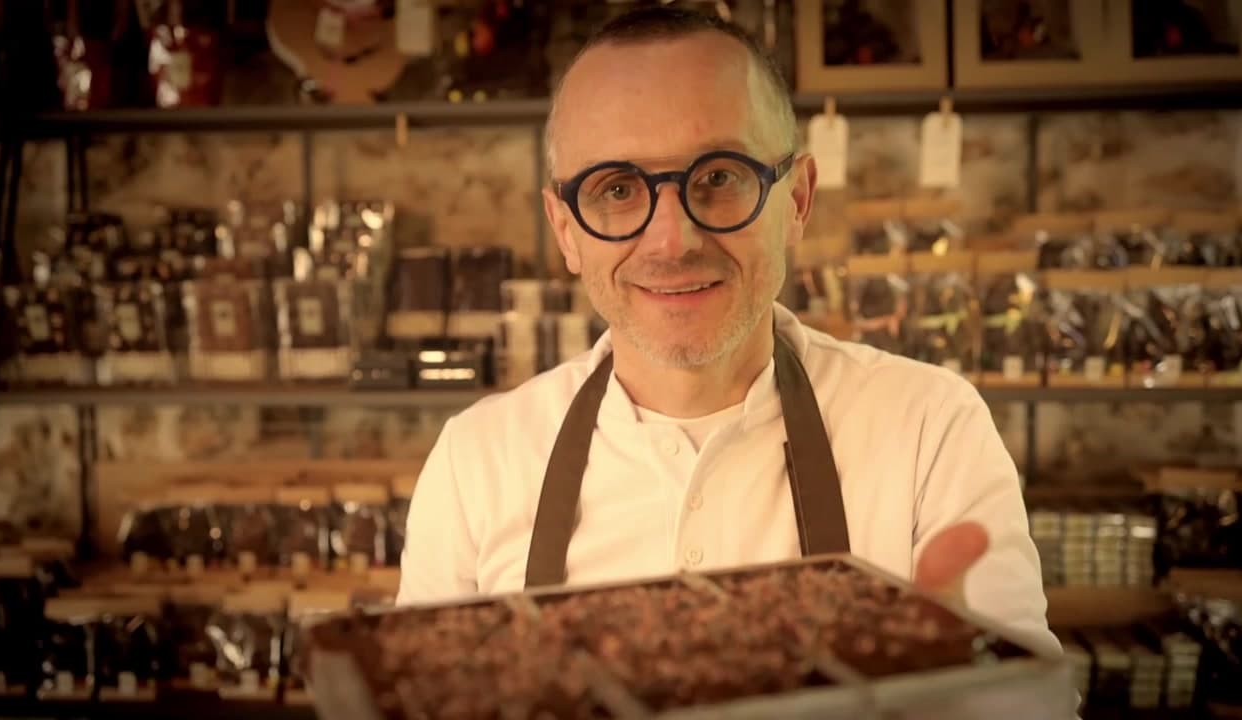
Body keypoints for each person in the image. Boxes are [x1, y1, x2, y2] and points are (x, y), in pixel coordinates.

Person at [397, 6, 1060, 656]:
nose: (671, 240)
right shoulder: (475, 463)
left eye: (718, 177)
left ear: (797, 200)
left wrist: (968, 692)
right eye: (617, 189)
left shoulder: (929, 430)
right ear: (566, 229)